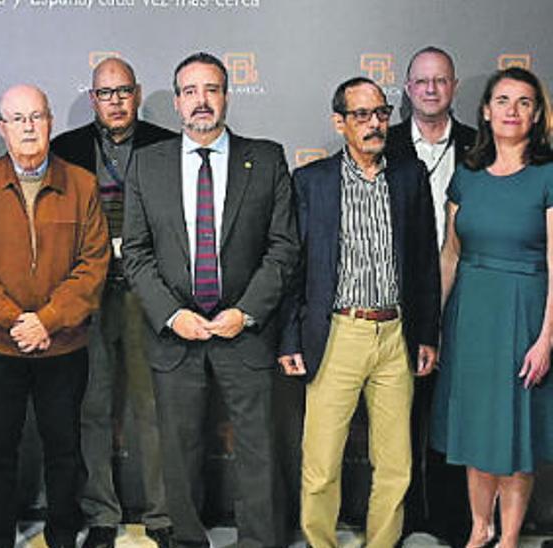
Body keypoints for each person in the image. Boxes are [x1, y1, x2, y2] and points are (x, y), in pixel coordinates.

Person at [120, 52, 299, 548]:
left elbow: (284, 246)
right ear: (177, 102)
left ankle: (261, 541)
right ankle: (186, 541)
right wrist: (170, 314)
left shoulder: (264, 159)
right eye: (191, 91)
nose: (202, 101)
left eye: (212, 89)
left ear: (226, 95)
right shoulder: (147, 165)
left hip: (245, 331)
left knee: (259, 449)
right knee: (178, 452)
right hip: (175, 333)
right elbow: (134, 253)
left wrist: (247, 311)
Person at [278, 77, 440, 548]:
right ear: (340, 122)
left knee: (395, 464)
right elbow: (295, 266)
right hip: (337, 334)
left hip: (395, 335)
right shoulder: (313, 181)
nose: (374, 124)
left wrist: (426, 333)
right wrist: (290, 337)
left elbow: (425, 262)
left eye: (382, 114)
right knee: (321, 463)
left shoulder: (410, 177)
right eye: (362, 115)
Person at [0, 84, 109, 548]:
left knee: (65, 451)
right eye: (17, 119)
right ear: (2, 127)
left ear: (51, 121)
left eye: (36, 116)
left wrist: (50, 320)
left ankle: (62, 536)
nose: (28, 127)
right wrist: (16, 321)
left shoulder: (81, 184)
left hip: (64, 346)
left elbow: (92, 265)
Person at [51, 56, 177, 548]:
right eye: (106, 93)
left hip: (149, 295)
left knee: (151, 407)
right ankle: (101, 514)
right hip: (87, 296)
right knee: (93, 407)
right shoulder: (66, 150)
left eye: (124, 91)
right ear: (93, 99)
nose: (116, 101)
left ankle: (162, 516)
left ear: (138, 93)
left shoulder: (167, 146)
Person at [432, 66, 553, 548]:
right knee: (477, 431)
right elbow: (450, 255)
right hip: (471, 317)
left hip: (525, 313)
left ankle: (508, 538)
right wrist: (439, 329)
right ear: (485, 111)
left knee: (515, 434)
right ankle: (479, 530)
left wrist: (546, 339)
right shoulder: (468, 176)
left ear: (537, 114)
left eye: (524, 102)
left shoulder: (548, 176)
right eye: (503, 100)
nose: (512, 110)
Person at [384, 47, 476, 545]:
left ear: (455, 87)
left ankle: (449, 519)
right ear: (408, 89)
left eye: (441, 80)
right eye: (421, 81)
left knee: (452, 416)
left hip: (470, 297)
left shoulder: (480, 146)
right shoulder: (387, 143)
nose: (431, 89)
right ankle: (402, 519)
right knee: (400, 417)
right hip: (398, 296)